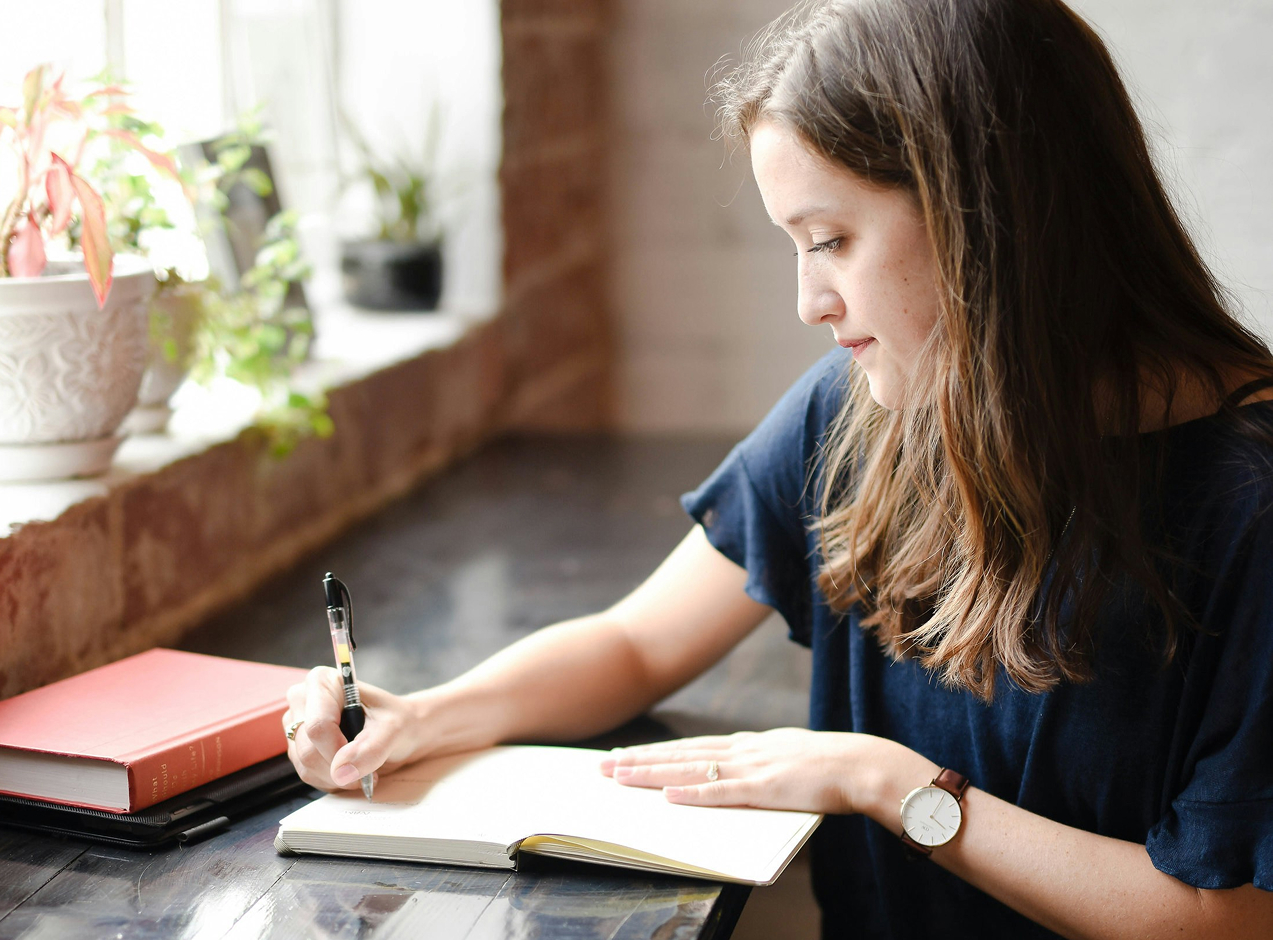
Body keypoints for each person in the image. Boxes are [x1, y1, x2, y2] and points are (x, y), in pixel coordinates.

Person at [284, 1, 1273, 936]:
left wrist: (888, 784)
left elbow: (1224, 919)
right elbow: (637, 643)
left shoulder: (1251, 504)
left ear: (990, 214)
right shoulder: (862, 411)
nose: (809, 301)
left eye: (831, 240)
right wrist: (423, 717)